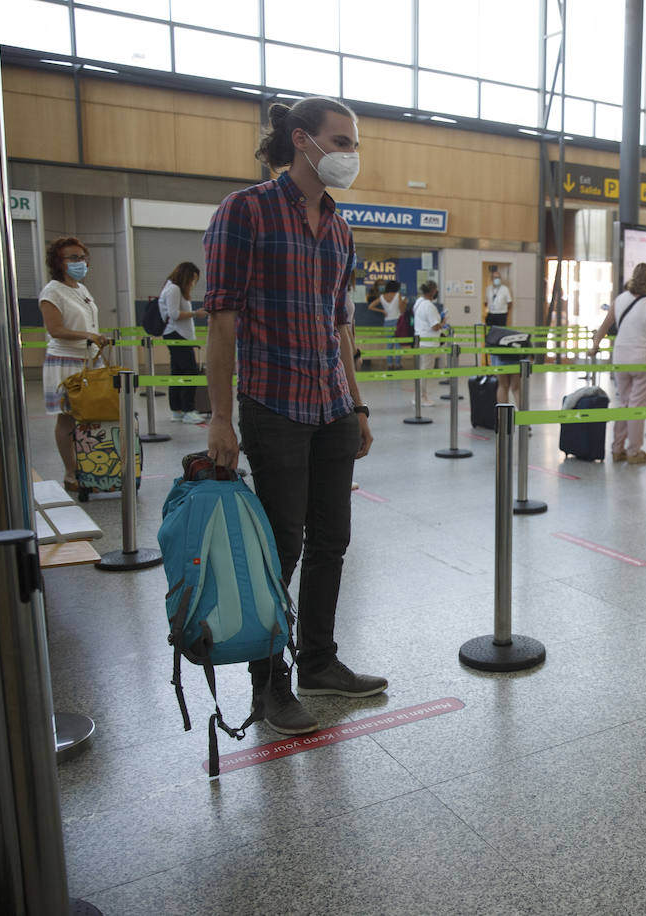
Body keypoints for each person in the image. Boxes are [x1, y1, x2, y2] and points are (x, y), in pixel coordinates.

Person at [203, 95, 385, 737]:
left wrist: (357, 405)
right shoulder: (245, 211)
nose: (350, 154)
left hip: (332, 404)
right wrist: (220, 418)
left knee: (332, 542)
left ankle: (319, 660)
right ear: (302, 140)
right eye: (341, 142)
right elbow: (221, 320)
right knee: (280, 548)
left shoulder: (338, 226)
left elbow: (340, 325)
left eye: (353, 142)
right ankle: (270, 686)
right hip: (273, 405)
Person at [39, 237, 111, 492]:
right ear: (58, 262)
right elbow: (55, 329)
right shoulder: (52, 291)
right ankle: (70, 473)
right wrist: (88, 336)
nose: (80, 262)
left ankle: (90, 466)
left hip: (89, 360)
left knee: (90, 417)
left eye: (82, 257)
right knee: (68, 418)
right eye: (73, 258)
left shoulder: (81, 289)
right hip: (65, 362)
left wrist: (94, 338)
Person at [589, 262, 646, 463]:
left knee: (624, 404)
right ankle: (634, 452)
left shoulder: (620, 300)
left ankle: (617, 448)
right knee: (637, 407)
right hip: (645, 361)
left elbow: (604, 326)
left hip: (621, 358)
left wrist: (595, 345)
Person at [159, 261, 205, 423]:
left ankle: (177, 410)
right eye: (192, 279)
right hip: (177, 335)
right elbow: (174, 314)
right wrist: (195, 313)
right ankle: (187, 409)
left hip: (179, 335)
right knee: (190, 371)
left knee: (177, 372)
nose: (193, 283)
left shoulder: (170, 287)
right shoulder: (174, 289)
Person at [413, 278, 445, 401]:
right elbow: (435, 326)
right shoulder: (429, 306)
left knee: (422, 370)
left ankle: (420, 396)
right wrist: (443, 323)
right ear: (432, 291)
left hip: (421, 341)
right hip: (428, 343)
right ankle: (421, 397)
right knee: (425, 371)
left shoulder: (419, 302)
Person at [368, 280, 404, 368]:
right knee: (398, 344)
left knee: (389, 344)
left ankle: (389, 364)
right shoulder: (398, 295)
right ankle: (398, 364)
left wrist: (382, 311)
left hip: (387, 322)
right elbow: (402, 309)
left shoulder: (382, 297)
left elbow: (370, 306)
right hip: (397, 321)